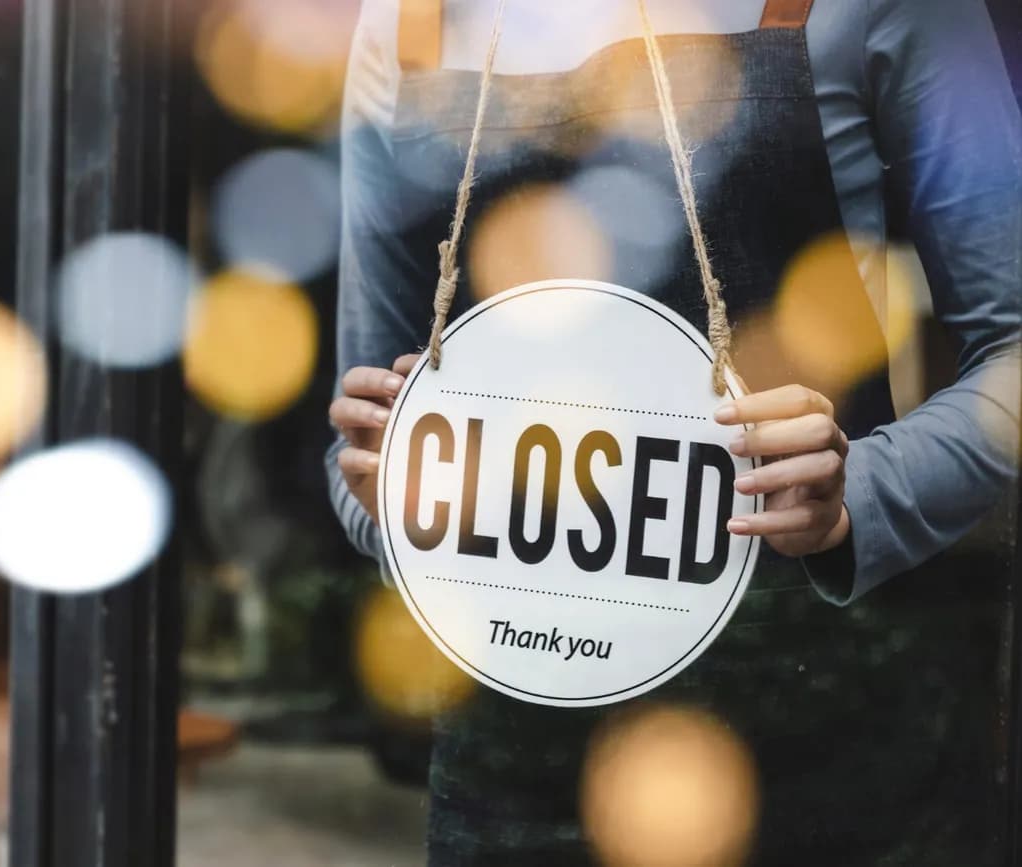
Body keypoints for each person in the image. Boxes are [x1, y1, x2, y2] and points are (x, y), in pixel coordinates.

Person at [326, 0, 1022, 864]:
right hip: (514, 761)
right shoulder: (409, 21)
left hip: (817, 738)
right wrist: (388, 495)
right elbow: (360, 445)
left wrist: (862, 496)